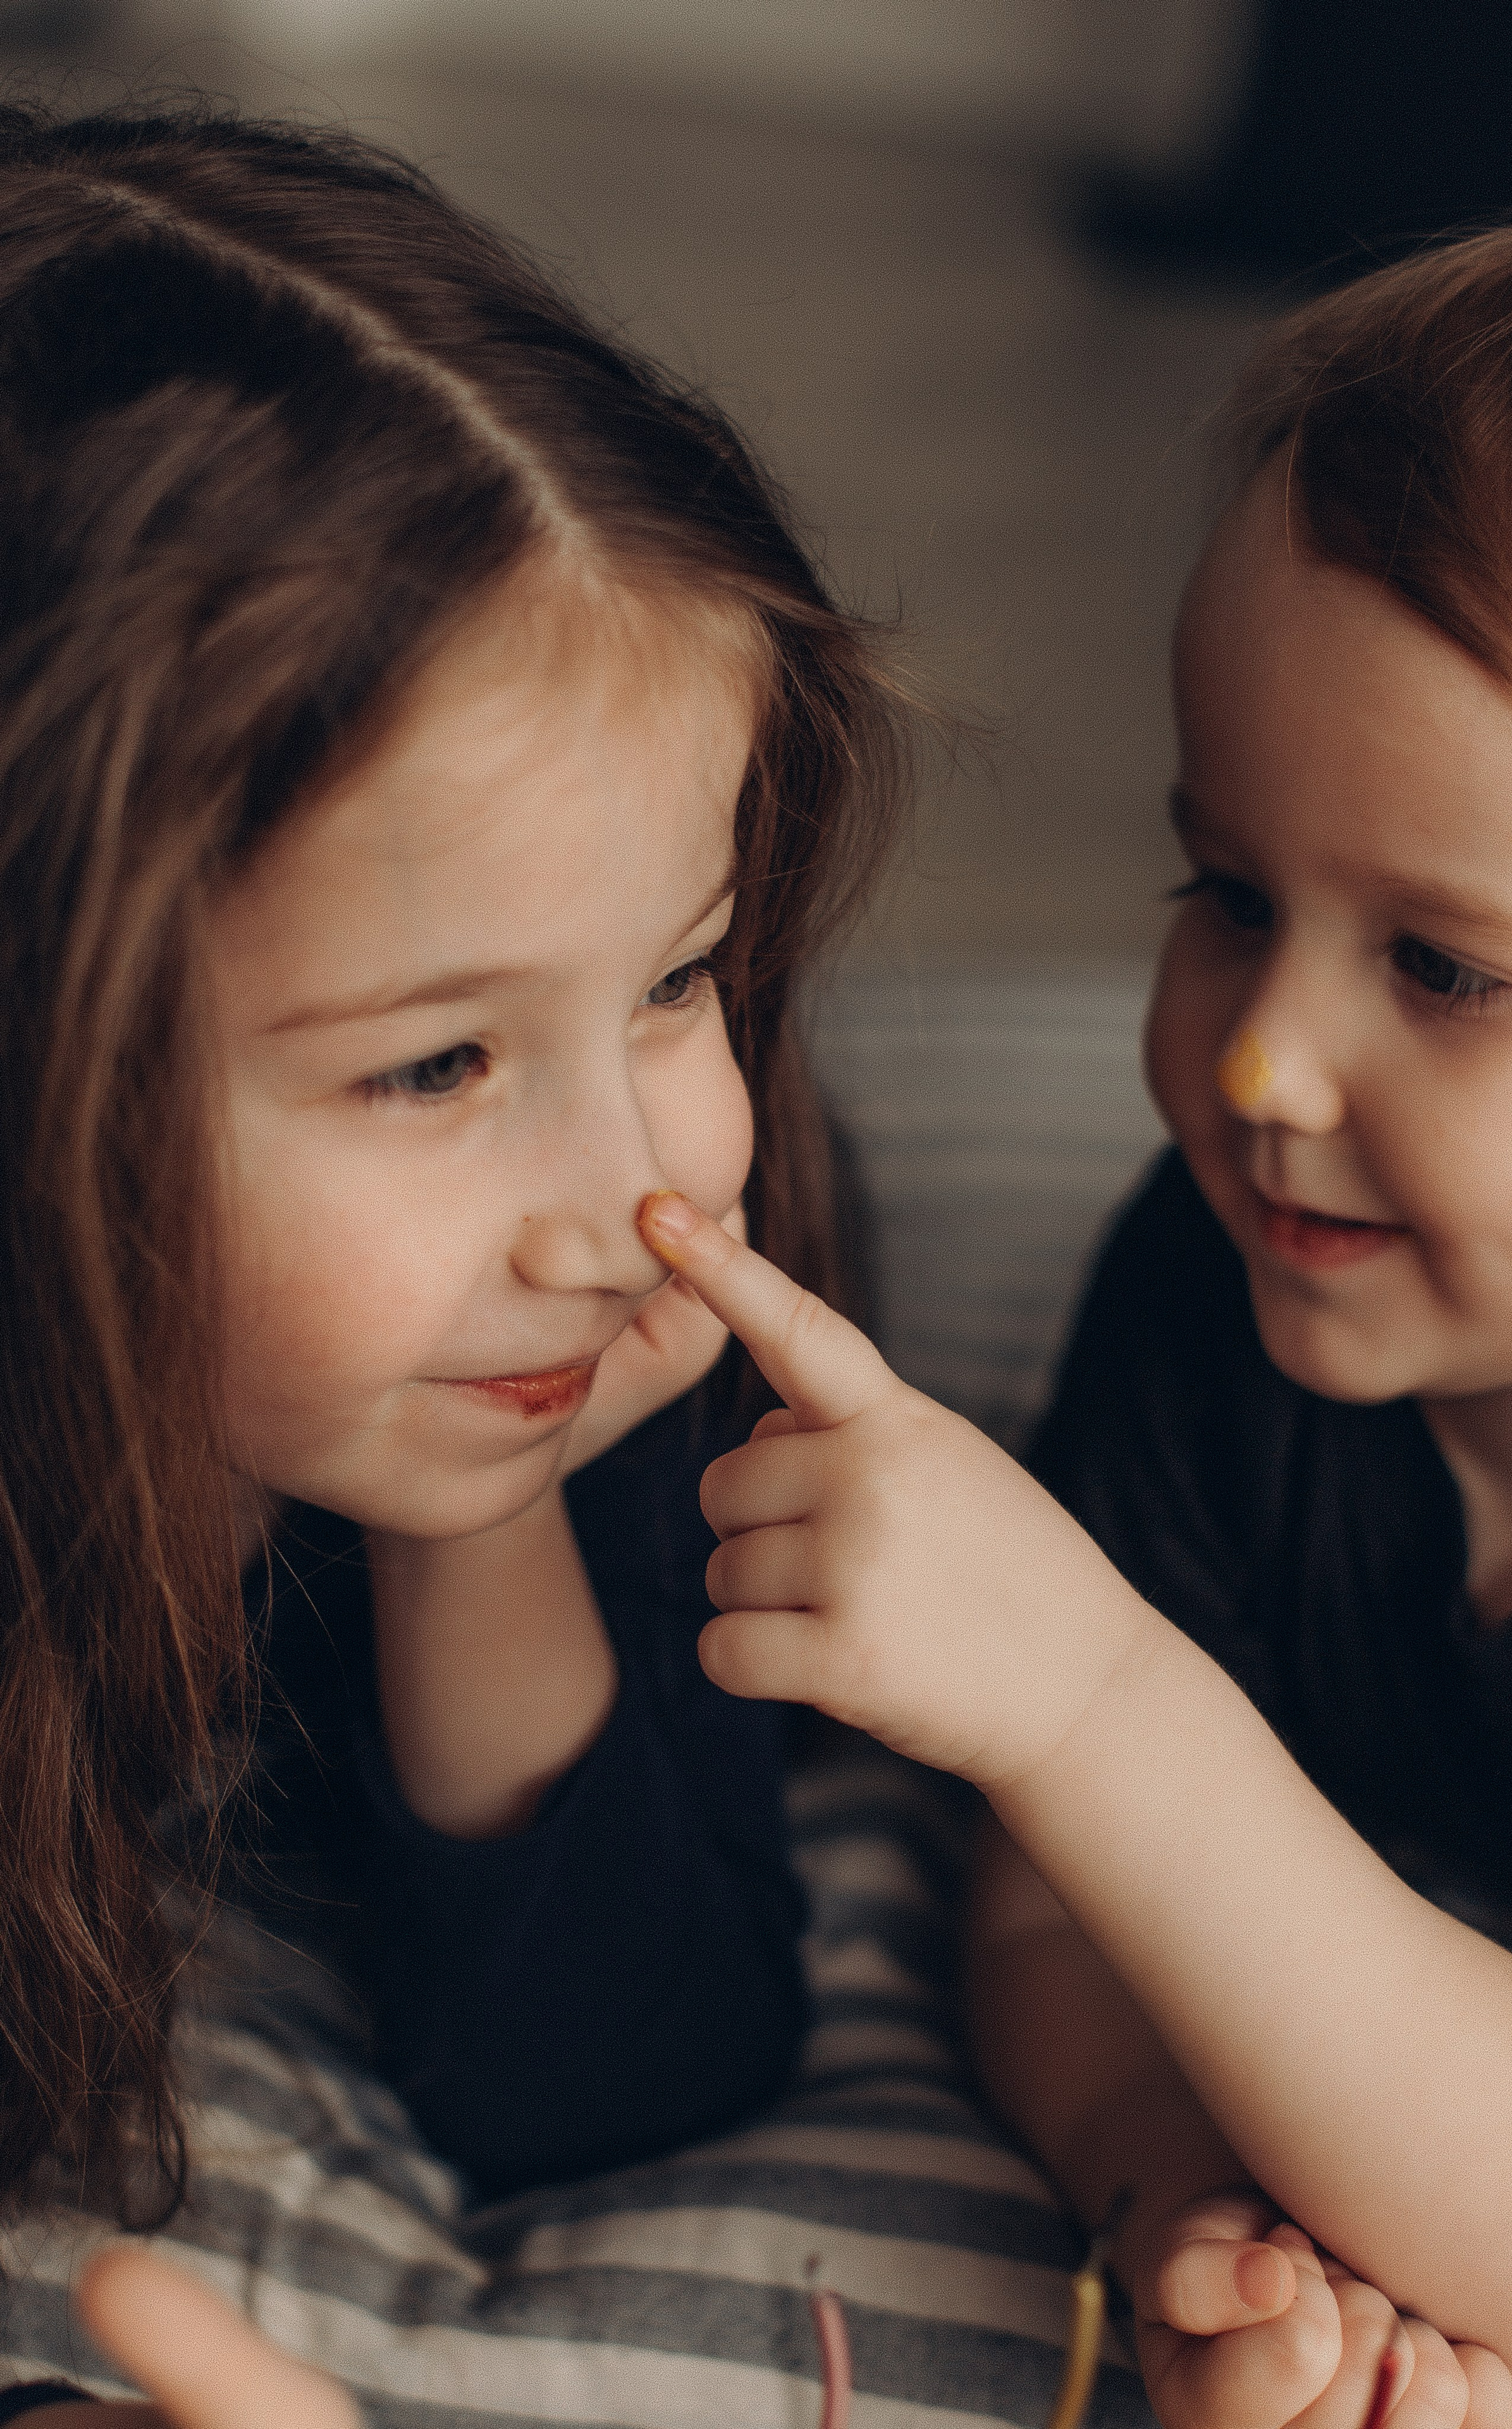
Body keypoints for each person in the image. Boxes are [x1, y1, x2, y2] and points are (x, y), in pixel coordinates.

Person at [635, 201, 1512, 2429]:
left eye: (1442, 967)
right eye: (1230, 893)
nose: (1259, 1065)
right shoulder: (1226, 1275)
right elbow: (1052, 1911)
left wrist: (1093, 1692)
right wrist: (1186, 2197)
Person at [0, 98, 907, 2425]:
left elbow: (630, 2062)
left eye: (682, 976)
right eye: (432, 1066)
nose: (631, 1198)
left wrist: (488, 1523)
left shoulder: (629, 1301)